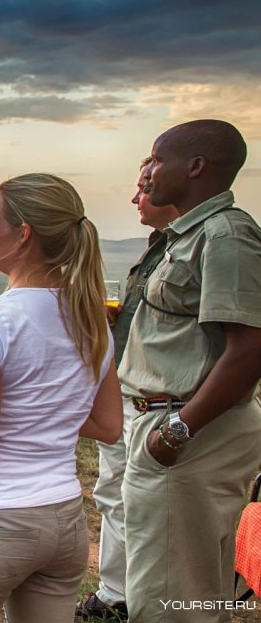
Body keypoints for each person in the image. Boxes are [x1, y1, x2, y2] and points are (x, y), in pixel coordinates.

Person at [0, 174, 122, 622]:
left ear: (23, 232)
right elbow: (109, 426)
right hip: (64, 523)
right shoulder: (92, 321)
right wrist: (38, 408)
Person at [119, 120, 261, 622]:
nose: (148, 173)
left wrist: (179, 431)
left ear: (196, 166)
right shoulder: (189, 235)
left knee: (168, 602)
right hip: (171, 424)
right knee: (194, 589)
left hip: (187, 432)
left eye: (158, 159)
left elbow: (249, 349)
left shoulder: (225, 236)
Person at [77, 159, 179, 620]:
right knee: (113, 493)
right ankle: (116, 595)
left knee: (151, 511)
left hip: (164, 405)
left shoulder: (213, 243)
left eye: (144, 186)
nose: (136, 197)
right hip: (129, 393)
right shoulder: (161, 246)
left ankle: (155, 604)